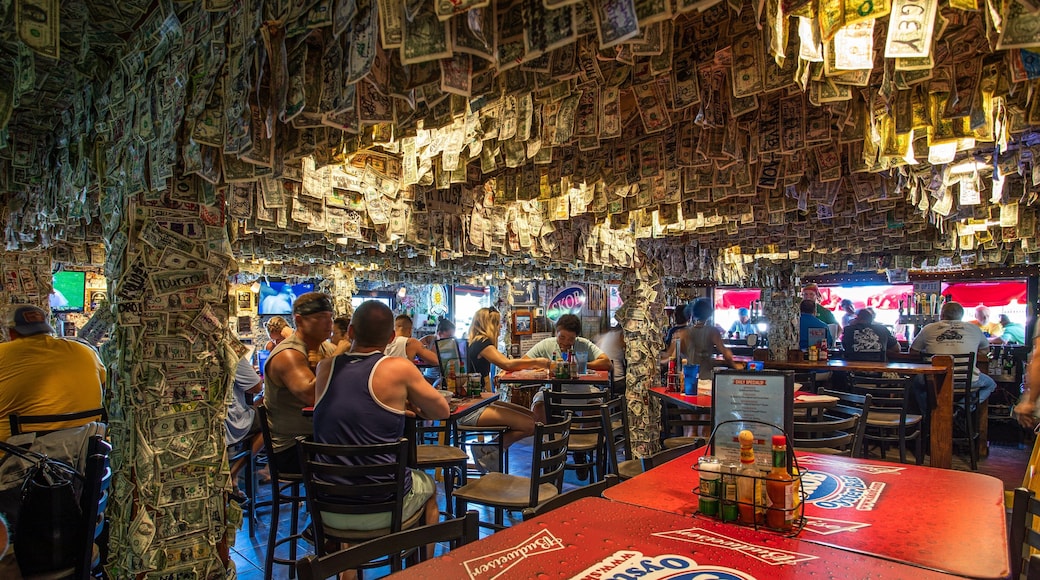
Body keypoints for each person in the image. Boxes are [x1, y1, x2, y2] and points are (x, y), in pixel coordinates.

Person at [312, 301, 449, 538]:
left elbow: (352, 405)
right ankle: (424, 570)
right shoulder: (399, 367)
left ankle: (348, 569)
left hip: (326, 505)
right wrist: (407, 402)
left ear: (351, 332)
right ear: (391, 337)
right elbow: (442, 411)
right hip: (382, 502)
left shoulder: (325, 368)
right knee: (429, 488)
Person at [0, 304, 105, 441]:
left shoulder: (3, 354)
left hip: (16, 457)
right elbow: (103, 387)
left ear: (11, 333)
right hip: (80, 454)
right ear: (47, 328)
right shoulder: (86, 352)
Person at [466, 307, 549, 471]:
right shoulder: (483, 342)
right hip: (473, 407)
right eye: (498, 324)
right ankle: (489, 448)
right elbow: (507, 364)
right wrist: (537, 362)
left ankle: (490, 449)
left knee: (534, 417)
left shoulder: (475, 341)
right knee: (533, 424)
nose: (500, 328)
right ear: (491, 324)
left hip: (479, 400)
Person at [263, 292, 336, 475]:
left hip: (321, 439)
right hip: (294, 447)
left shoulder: (325, 347)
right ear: (300, 321)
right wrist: (338, 358)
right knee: (367, 454)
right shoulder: (288, 354)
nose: (328, 323)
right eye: (320, 317)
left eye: (330, 317)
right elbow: (311, 395)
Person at [909, 301, 997, 413]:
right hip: (967, 381)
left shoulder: (928, 328)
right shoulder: (974, 328)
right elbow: (985, 351)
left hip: (934, 380)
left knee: (916, 383)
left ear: (942, 315)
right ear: (961, 315)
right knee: (991, 384)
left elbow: (913, 351)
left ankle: (929, 414)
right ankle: (961, 408)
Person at [525, 314, 612, 424]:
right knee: (539, 407)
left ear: (576, 337)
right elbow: (524, 362)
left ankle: (590, 440)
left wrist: (582, 365)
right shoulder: (546, 344)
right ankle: (545, 439)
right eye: (562, 337)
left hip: (583, 391)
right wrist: (544, 365)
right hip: (551, 390)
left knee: (595, 407)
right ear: (556, 332)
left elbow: (607, 363)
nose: (566, 342)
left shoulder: (583, 344)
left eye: (571, 339)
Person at [668, 298, 739, 382]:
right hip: (706, 378)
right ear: (709, 314)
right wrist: (735, 366)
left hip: (689, 378)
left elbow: (672, 357)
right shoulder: (713, 331)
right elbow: (726, 354)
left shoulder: (683, 333)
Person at [225, 350, 264, 502]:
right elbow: (256, 387)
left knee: (257, 408)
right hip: (231, 420)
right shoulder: (230, 351)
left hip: (214, 424)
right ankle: (233, 473)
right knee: (270, 421)